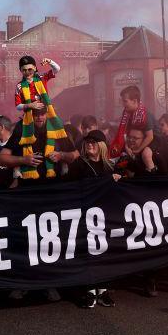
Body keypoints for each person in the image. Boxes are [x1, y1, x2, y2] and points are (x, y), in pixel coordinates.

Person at [66, 130, 120, 308]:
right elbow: (72, 187)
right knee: (87, 253)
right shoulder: (79, 164)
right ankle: (89, 291)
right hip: (84, 216)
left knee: (104, 253)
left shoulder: (109, 166)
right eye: (87, 142)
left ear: (102, 145)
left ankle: (103, 290)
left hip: (105, 217)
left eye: (94, 142)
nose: (90, 144)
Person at [110, 86, 154, 158]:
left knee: (146, 155)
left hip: (152, 142)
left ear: (134, 101)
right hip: (136, 141)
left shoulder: (145, 115)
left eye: (125, 101)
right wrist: (127, 146)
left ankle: (151, 169)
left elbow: (150, 137)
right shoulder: (127, 113)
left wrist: (138, 150)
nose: (123, 104)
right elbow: (125, 133)